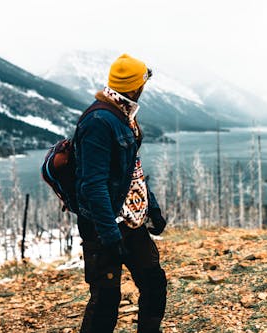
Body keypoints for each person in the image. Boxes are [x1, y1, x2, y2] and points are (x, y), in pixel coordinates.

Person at [75, 54, 167, 333]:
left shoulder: (124, 116)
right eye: (142, 83)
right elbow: (93, 184)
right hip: (104, 225)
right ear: (134, 87)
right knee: (106, 299)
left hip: (132, 220)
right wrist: (109, 234)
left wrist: (152, 208)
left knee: (154, 282)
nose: (145, 88)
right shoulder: (98, 122)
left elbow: (132, 170)